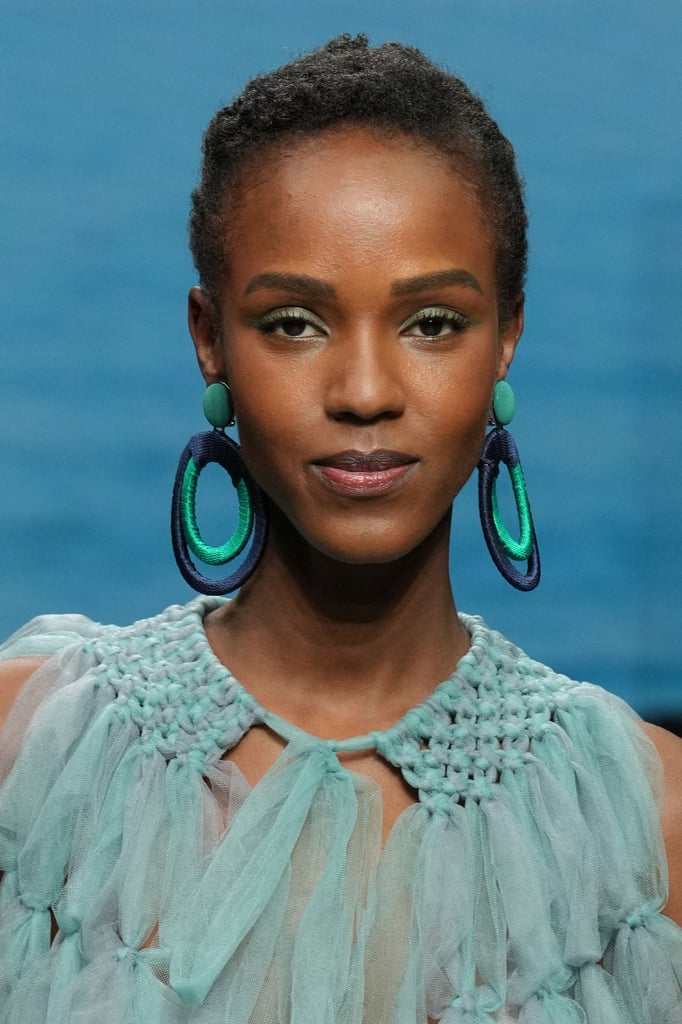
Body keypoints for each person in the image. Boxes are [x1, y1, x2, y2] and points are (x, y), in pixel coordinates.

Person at [0, 33, 680, 1024]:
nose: (364, 392)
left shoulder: (650, 829)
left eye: (432, 323)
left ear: (508, 338)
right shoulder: (28, 756)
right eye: (293, 323)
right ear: (209, 339)